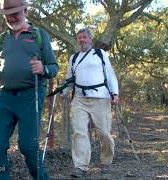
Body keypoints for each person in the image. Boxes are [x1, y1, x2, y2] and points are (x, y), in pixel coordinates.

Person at [0, 0, 58, 179]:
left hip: (31, 96)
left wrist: (43, 69)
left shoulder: (39, 35)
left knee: (27, 146)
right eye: (8, 14)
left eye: (15, 13)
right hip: (5, 98)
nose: (11, 17)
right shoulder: (2, 39)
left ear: (25, 11)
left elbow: (53, 67)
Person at [61, 28, 119, 178]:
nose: (82, 40)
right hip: (79, 99)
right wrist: (64, 92)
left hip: (101, 98)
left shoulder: (100, 54)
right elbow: (69, 79)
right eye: (79, 37)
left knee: (105, 133)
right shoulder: (73, 58)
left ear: (90, 40)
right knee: (79, 133)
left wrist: (115, 93)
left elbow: (110, 74)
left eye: (85, 37)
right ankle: (80, 166)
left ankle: (106, 162)